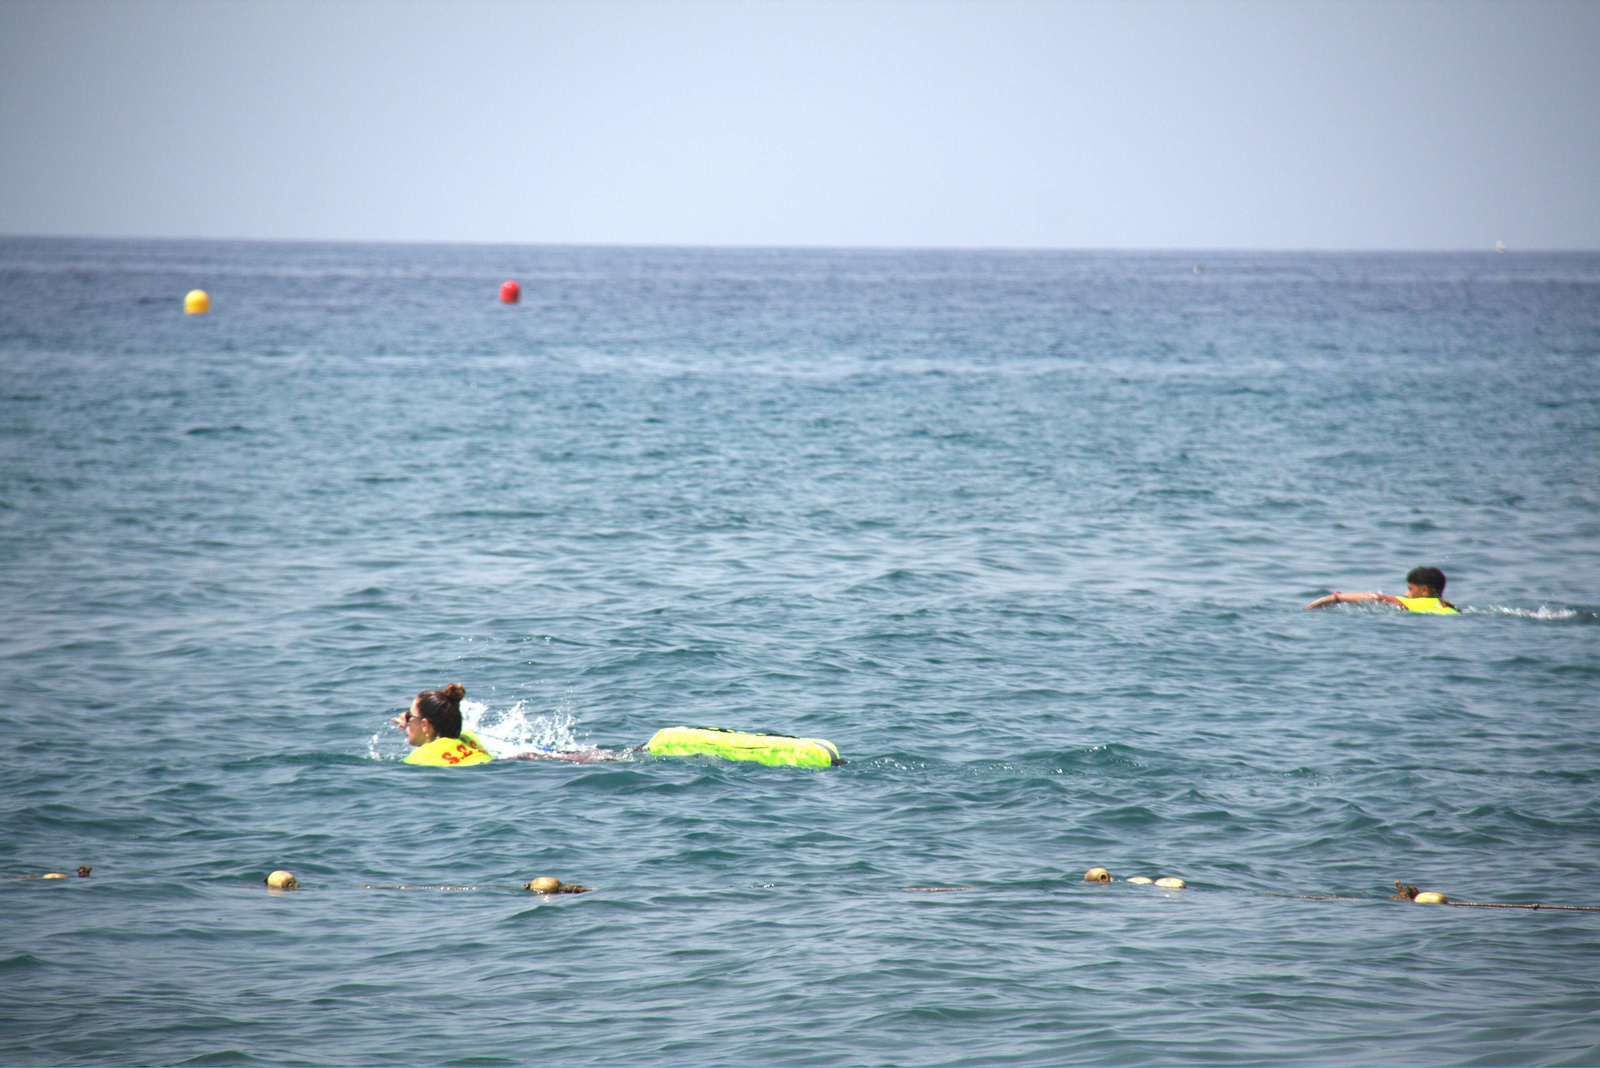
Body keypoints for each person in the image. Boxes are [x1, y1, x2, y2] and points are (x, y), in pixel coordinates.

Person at [391, 683, 494, 765]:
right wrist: (411, 723)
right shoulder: (470, 737)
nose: (406, 720)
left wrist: (413, 726)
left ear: (424, 725)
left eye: (409, 716)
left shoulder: (420, 756)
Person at [1306, 566, 1458, 614]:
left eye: (1410, 589)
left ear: (1424, 590)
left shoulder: (1420, 604)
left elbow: (1375, 598)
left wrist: (1335, 597)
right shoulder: (1449, 608)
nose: (1406, 594)